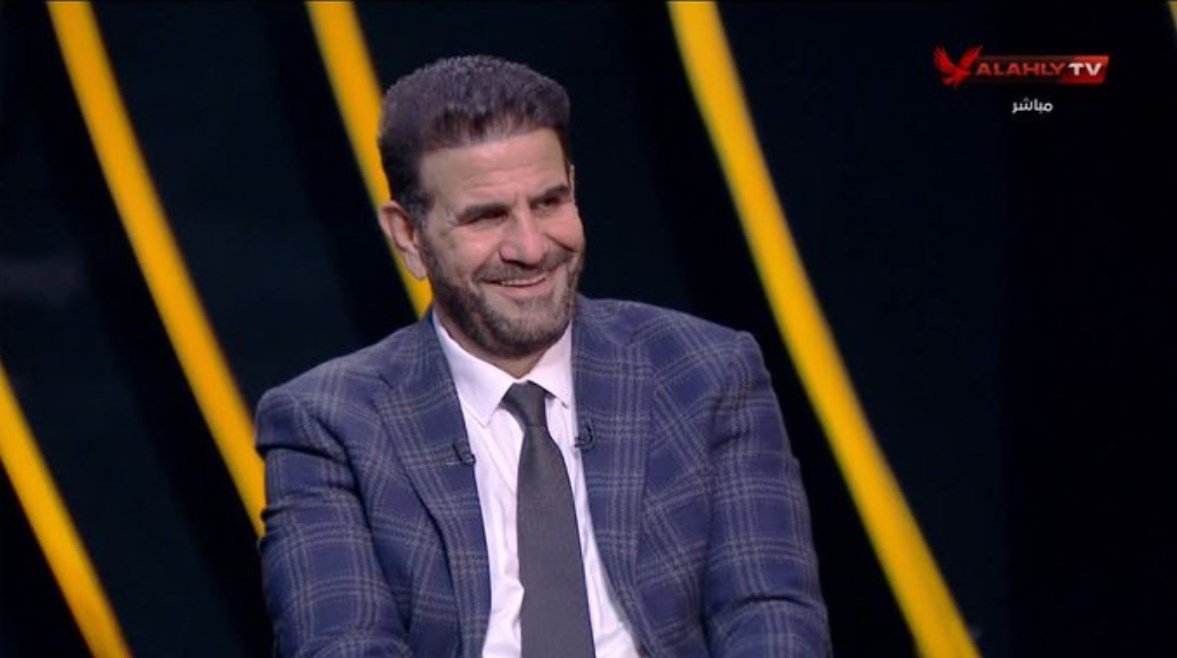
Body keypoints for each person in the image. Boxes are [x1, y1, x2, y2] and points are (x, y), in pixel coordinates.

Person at [255, 55, 830, 657]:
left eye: (550, 203)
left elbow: (770, 616)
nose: (531, 248)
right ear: (409, 235)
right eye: (487, 217)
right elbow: (344, 646)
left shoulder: (706, 372)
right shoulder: (327, 424)